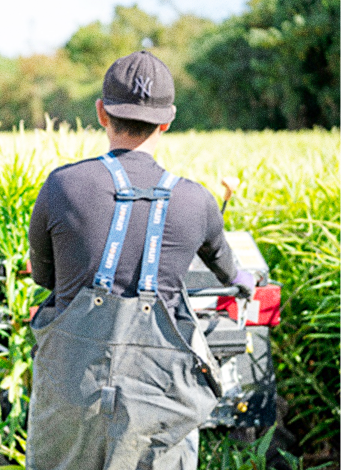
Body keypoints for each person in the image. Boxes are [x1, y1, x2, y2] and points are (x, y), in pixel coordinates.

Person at [26, 50, 255, 470]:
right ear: (167, 121)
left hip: (72, 390)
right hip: (158, 401)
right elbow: (229, 268)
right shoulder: (197, 200)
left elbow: (44, 277)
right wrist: (243, 280)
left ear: (101, 113)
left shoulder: (62, 186)